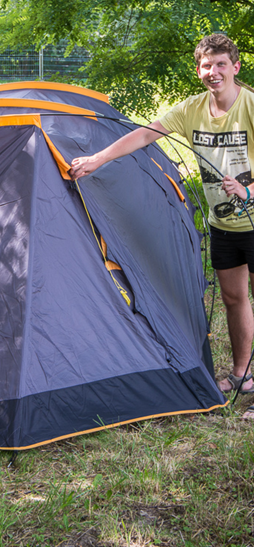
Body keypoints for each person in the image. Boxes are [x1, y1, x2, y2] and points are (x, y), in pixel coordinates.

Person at [70, 34, 254, 416]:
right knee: (235, 299)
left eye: (221, 64)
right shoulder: (192, 110)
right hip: (224, 225)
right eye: (206, 66)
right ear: (199, 70)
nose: (213, 72)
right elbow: (143, 135)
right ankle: (242, 374)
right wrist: (97, 159)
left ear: (236, 67)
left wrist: (249, 190)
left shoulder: (250, 105)